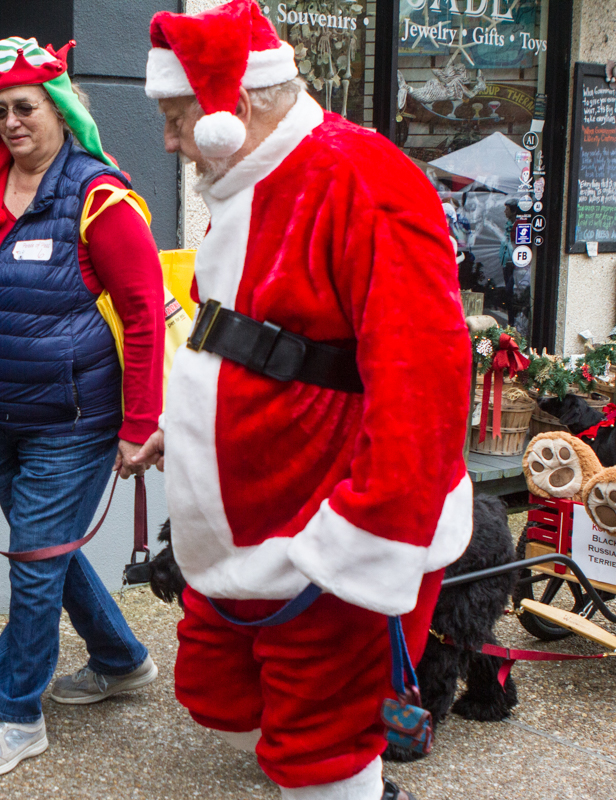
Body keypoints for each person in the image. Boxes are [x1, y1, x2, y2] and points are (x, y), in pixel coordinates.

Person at [131, 4, 472, 800]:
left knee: (324, 737)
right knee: (229, 695)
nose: (172, 143)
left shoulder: (363, 180)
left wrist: (366, 533)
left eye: (178, 121)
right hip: (252, 524)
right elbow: (239, 338)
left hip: (324, 526)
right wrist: (183, 432)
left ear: (234, 110)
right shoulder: (252, 177)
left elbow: (422, 377)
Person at [0, 36, 166, 778]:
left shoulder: (98, 196)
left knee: (32, 561)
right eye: (1, 110)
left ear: (60, 109)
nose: (12, 122)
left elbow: (144, 315)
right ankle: (121, 659)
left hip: (73, 420)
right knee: (45, 548)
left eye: (26, 107)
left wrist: (141, 424)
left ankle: (15, 712)